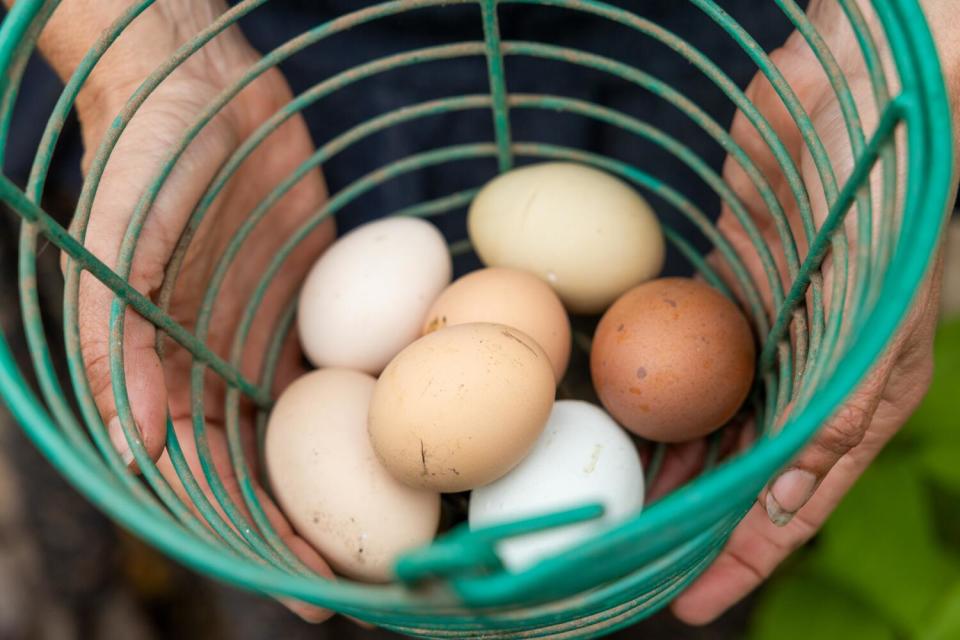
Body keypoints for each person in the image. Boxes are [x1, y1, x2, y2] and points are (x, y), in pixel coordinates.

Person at [9, 0, 957, 628]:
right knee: (298, 553)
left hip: (732, 56)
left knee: (674, 526)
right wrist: (138, 34)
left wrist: (930, 70)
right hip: (259, 52)